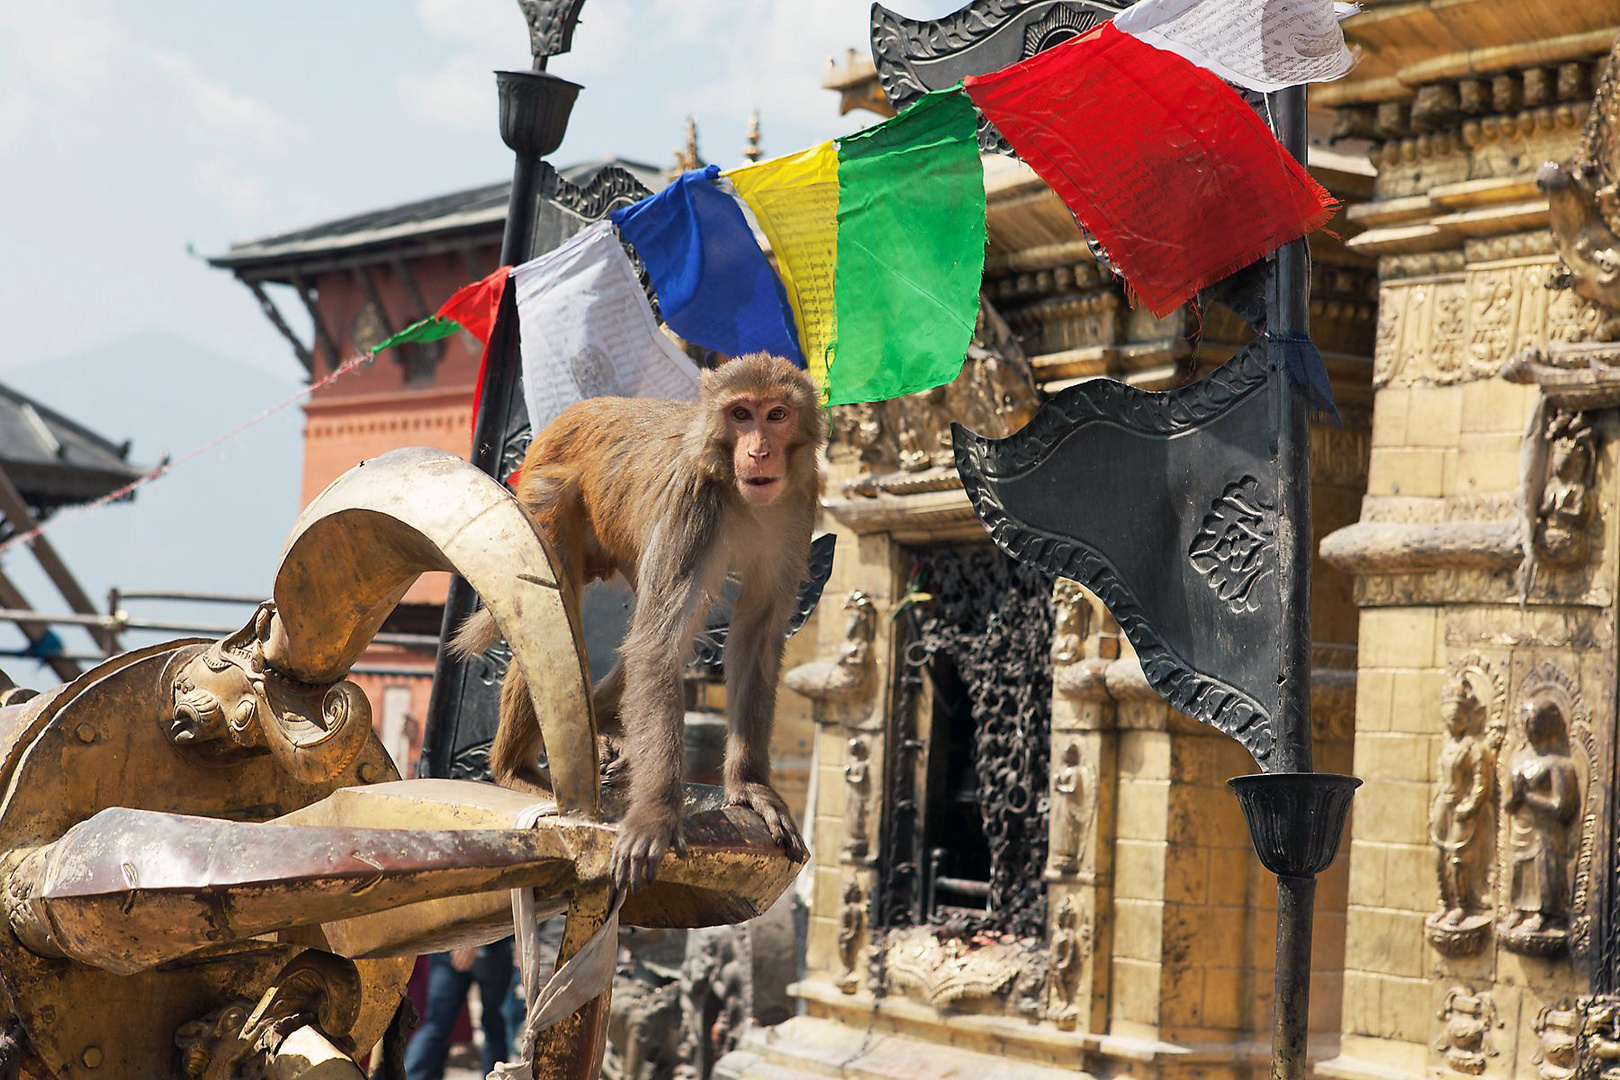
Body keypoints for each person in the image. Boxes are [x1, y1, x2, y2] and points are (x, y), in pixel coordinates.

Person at [404, 938, 515, 1080]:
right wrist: (472, 940)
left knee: (436, 1026)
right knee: (493, 1027)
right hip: (482, 945)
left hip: (452, 945)